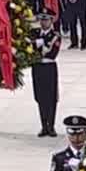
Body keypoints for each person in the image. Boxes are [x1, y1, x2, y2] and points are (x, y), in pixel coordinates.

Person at [31, 10, 61, 138]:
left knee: (51, 98)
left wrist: (39, 44)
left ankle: (51, 126)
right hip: (37, 67)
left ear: (51, 21)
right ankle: (43, 126)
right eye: (42, 20)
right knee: (40, 97)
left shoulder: (55, 35)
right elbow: (29, 49)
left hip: (49, 67)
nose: (44, 23)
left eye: (46, 20)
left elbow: (52, 53)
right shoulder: (34, 33)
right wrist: (38, 44)